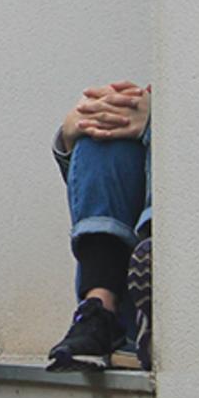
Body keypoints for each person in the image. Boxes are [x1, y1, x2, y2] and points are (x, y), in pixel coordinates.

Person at [47, 82, 154, 371]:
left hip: (189, 282)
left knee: (135, 126)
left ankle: (154, 290)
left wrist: (159, 125)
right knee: (102, 133)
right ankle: (99, 312)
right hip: (132, 308)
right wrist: (73, 132)